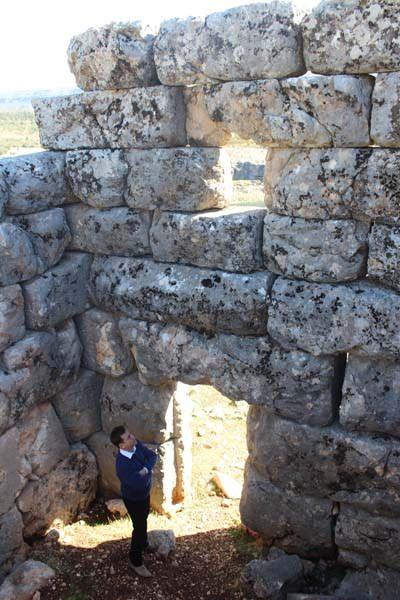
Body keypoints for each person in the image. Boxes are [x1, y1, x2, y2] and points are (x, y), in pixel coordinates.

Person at [110, 425, 157, 578]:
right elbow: (138, 483)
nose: (133, 437)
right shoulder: (122, 465)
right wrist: (147, 469)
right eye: (128, 437)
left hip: (144, 495)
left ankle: (143, 543)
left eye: (130, 433)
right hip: (134, 499)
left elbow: (152, 456)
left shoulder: (136, 446)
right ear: (122, 445)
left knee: (144, 518)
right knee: (139, 526)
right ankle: (135, 560)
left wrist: (145, 470)